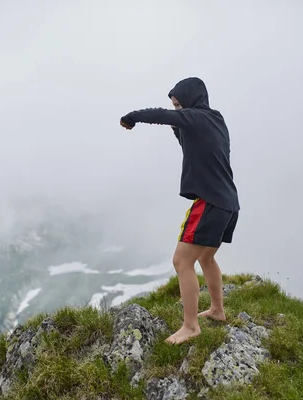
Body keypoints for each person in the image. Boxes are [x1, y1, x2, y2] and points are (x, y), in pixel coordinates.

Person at [120, 77, 240, 345]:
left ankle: (190, 326)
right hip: (229, 203)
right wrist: (178, 125)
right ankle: (218, 311)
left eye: (178, 105)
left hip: (209, 201)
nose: (176, 110)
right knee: (206, 258)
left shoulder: (195, 117)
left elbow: (161, 116)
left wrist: (133, 117)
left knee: (181, 261)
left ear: (189, 100)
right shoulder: (214, 120)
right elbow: (191, 146)